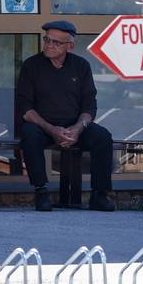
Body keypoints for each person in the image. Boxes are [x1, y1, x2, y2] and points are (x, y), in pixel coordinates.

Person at [15, 19, 114, 212]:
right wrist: (51, 129)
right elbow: (25, 108)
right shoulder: (32, 66)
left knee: (102, 137)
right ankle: (41, 192)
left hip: (73, 126)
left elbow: (89, 105)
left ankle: (99, 195)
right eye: (47, 40)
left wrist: (77, 129)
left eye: (55, 42)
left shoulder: (81, 66)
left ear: (70, 45)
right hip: (42, 125)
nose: (49, 45)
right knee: (29, 134)